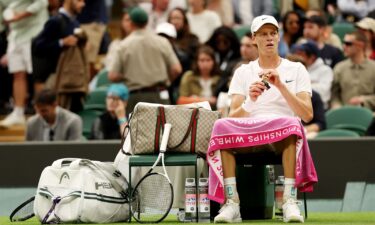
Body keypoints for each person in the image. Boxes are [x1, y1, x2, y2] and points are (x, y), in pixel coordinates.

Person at [212, 15, 314, 223]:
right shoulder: (243, 72)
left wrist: (281, 86)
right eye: (263, 34)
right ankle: (232, 203)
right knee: (221, 126)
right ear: (253, 39)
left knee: (292, 124)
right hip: (248, 137)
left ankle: (289, 201)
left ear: (278, 37)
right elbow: (233, 118)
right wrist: (250, 100)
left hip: (282, 137)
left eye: (273, 33)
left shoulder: (296, 69)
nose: (269, 38)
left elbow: (306, 114)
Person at [108, 7, 182, 114]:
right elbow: (177, 69)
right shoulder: (162, 42)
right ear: (147, 22)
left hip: (136, 97)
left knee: (137, 130)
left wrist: (129, 74)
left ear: (131, 23)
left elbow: (112, 76)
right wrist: (167, 80)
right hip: (160, 94)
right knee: (162, 129)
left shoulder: (124, 45)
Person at [0, 0, 48, 128]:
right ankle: (18, 113)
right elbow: (3, 9)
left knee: (37, 76)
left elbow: (42, 3)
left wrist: (18, 16)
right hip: (15, 37)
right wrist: (6, 19)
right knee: (17, 74)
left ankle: (42, 113)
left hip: (35, 34)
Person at [331, 31, 375, 111]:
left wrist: (363, 99)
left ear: (360, 45)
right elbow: (334, 94)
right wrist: (336, 105)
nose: (344, 46)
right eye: (343, 43)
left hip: (371, 115)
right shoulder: (339, 68)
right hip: (344, 113)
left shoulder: (373, 67)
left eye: (348, 44)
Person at [292, 41, 333, 109]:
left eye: (302, 53)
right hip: (298, 106)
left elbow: (324, 93)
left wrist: (302, 86)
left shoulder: (325, 70)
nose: (298, 56)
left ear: (312, 57)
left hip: (318, 108)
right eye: (298, 53)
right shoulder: (297, 68)